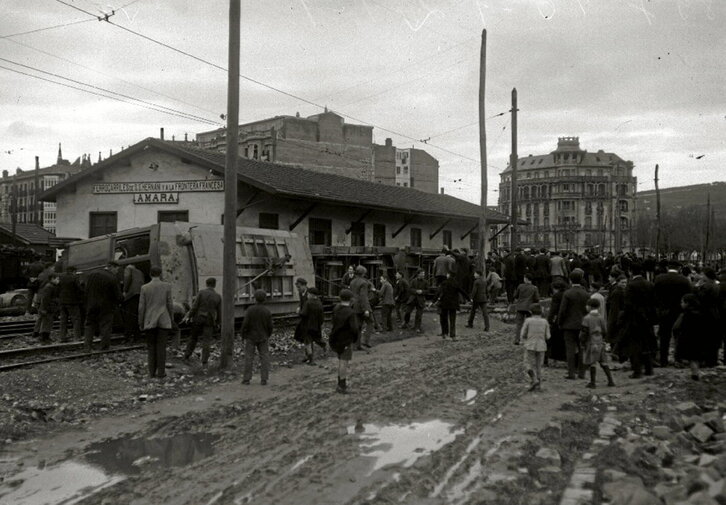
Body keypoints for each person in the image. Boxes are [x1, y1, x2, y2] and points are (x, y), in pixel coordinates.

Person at [620, 264, 657, 378]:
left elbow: (627, 305)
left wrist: (623, 319)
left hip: (634, 319)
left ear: (631, 271)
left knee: (635, 346)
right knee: (646, 344)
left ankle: (637, 371)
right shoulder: (650, 284)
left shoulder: (630, 286)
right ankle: (649, 369)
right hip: (647, 319)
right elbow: (654, 302)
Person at [138, 266, 174, 379]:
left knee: (151, 347)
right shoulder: (167, 286)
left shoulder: (144, 288)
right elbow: (170, 304)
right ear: (160, 274)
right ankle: (161, 373)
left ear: (150, 274)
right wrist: (171, 318)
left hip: (149, 320)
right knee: (161, 347)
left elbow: (141, 307)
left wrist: (141, 321)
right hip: (164, 319)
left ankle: (151, 373)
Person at [653, 263, 692, 367]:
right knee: (678, 336)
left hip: (664, 312)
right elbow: (688, 296)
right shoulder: (684, 280)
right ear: (679, 268)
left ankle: (663, 360)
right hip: (678, 312)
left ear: (667, 268)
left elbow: (655, 295)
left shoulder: (659, 279)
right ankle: (678, 359)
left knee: (664, 337)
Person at [558, 270, 590, 379]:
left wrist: (560, 322)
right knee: (582, 349)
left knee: (570, 350)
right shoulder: (586, 294)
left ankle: (571, 373)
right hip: (582, 324)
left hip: (569, 325)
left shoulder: (567, 293)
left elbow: (562, 311)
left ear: (570, 280)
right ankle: (582, 373)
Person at [183, 277, 222, 367]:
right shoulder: (218, 296)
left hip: (198, 318)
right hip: (209, 320)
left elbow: (194, 307)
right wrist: (218, 323)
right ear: (214, 285)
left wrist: (188, 316)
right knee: (206, 341)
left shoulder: (201, 293)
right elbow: (219, 312)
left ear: (206, 284)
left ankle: (186, 356)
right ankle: (204, 362)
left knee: (193, 338)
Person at [84, 261, 122, 351]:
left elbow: (86, 290)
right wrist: (121, 299)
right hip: (106, 307)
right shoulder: (112, 278)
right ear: (112, 267)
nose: (117, 271)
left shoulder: (92, 274)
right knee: (105, 326)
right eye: (117, 269)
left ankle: (87, 346)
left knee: (90, 325)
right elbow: (118, 295)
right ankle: (104, 347)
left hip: (91, 305)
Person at [580, 298, 615, 388]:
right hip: (600, 341)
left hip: (591, 342)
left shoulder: (587, 318)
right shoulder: (600, 317)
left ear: (589, 307)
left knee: (592, 362)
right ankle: (611, 381)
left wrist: (582, 342)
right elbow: (605, 330)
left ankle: (593, 382)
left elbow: (584, 332)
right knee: (603, 362)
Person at [329, 289, 359, 394]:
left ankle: (340, 382)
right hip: (346, 340)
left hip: (335, 338)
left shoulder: (336, 309)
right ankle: (342, 385)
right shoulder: (350, 313)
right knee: (343, 362)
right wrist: (355, 338)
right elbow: (354, 328)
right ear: (351, 299)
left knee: (340, 360)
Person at [241, 289, 273, 385]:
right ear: (264, 299)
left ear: (255, 299)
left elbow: (245, 324)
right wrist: (268, 334)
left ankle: (246, 379)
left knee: (249, 358)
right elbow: (270, 326)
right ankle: (264, 379)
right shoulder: (267, 311)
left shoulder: (250, 310)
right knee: (264, 357)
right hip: (263, 337)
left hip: (251, 337)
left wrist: (243, 335)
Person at [672, 294, 707, 381]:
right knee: (696, 357)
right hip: (699, 338)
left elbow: (676, 327)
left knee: (692, 358)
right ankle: (696, 372)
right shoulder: (701, 313)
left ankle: (695, 374)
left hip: (687, 338)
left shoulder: (685, 315)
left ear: (687, 303)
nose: (681, 304)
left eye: (682, 302)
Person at [520, 303, 550, 391]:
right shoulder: (545, 321)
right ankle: (539, 384)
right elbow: (548, 336)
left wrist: (525, 339)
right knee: (539, 365)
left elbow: (523, 333)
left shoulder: (528, 321)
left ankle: (533, 379)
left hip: (530, 344)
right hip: (541, 345)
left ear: (530, 312)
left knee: (527, 363)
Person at [435, 273, 467, 340]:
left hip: (445, 304)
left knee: (444, 319)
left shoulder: (444, 283)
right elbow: (462, 291)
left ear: (448, 275)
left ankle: (445, 333)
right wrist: (469, 298)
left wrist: (433, 301)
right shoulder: (456, 283)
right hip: (453, 304)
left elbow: (439, 292)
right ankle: (453, 335)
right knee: (452, 320)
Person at [57, 266, 83, 343]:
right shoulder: (74, 278)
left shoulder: (61, 277)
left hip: (62, 302)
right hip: (72, 302)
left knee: (63, 320)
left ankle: (62, 337)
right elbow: (79, 289)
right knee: (76, 319)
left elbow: (57, 289)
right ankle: (77, 337)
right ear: (73, 271)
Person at [300, 286, 325, 364]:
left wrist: (298, 312)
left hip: (307, 326)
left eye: (308, 294)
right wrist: (319, 324)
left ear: (311, 295)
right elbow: (322, 317)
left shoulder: (308, 303)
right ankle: (323, 346)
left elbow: (303, 314)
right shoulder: (319, 303)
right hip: (316, 326)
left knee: (307, 342)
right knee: (315, 339)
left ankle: (311, 359)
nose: (307, 295)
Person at [349, 266, 373, 349]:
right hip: (361, 306)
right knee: (370, 322)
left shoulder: (352, 282)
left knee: (358, 325)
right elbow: (363, 296)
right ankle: (366, 341)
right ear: (363, 273)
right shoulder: (364, 283)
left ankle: (357, 345)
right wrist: (366, 309)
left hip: (353, 305)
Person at [512, 274, 539, 345]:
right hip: (529, 308)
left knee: (519, 325)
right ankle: (528, 339)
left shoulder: (520, 286)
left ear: (526, 279)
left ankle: (517, 339)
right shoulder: (534, 288)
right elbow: (537, 299)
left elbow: (515, 296)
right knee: (529, 324)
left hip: (520, 307)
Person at [34, 273, 59, 344]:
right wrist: (44, 309)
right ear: (52, 279)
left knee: (48, 323)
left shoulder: (50, 286)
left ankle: (45, 337)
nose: (58, 280)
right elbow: (45, 299)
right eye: (57, 279)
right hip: (48, 308)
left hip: (49, 307)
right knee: (46, 323)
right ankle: (44, 337)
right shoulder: (49, 287)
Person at [122, 264, 145, 341]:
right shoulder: (140, 272)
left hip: (131, 295)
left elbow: (127, 279)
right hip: (139, 294)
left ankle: (127, 337)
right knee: (136, 316)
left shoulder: (129, 269)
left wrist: (124, 291)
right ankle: (137, 336)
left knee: (129, 316)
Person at [547, 279, 568, 363]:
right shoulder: (567, 294)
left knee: (555, 339)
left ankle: (556, 357)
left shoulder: (556, 296)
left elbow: (553, 310)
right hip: (568, 319)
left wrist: (549, 320)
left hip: (559, 320)